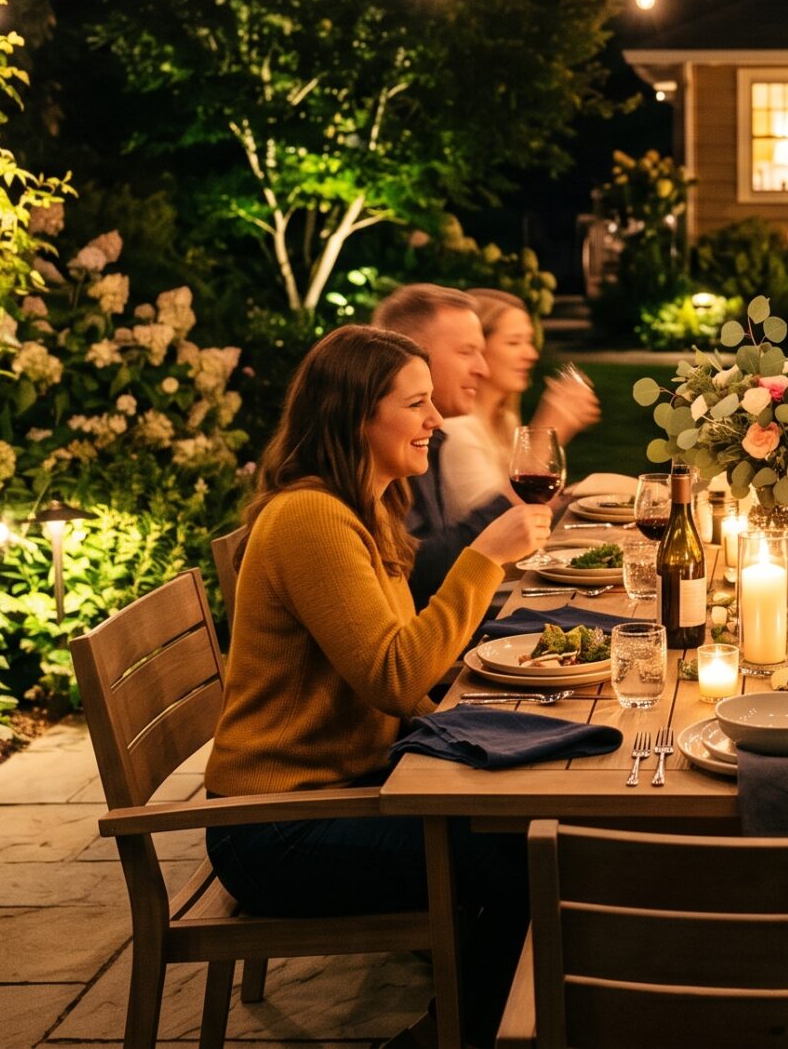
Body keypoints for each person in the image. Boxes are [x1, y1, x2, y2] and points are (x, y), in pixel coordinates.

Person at [205, 324, 550, 1045]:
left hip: (341, 789)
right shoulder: (311, 519)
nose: (436, 421)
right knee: (525, 856)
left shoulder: (363, 507)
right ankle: (459, 1033)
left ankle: (482, 1019)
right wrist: (483, 559)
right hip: (277, 830)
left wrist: (484, 713)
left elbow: (403, 668)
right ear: (358, 415)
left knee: (528, 827)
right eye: (416, 404)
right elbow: (396, 674)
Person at [371, 284, 509, 606]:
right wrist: (500, 517)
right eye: (466, 352)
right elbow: (410, 575)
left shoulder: (431, 441)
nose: (483, 369)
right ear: (412, 355)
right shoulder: (385, 451)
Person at [436, 288, 600, 522]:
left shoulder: (504, 421)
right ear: (477, 347)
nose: (532, 354)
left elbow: (540, 506)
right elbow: (501, 524)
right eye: (514, 342)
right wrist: (549, 430)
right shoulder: (459, 431)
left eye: (529, 342)